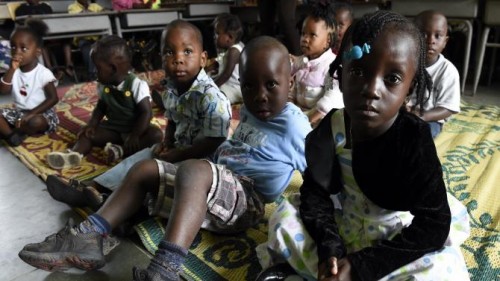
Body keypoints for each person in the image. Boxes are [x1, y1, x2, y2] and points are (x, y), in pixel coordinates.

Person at [18, 36, 312, 281]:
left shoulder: (294, 125)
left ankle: (164, 271)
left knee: (194, 171)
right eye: (249, 86)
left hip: (247, 202)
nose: (259, 95)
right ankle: (88, 236)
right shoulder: (250, 110)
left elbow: (315, 170)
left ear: (290, 82)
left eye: (271, 85)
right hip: (218, 186)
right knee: (146, 168)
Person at [255, 11, 470, 281]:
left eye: (392, 79)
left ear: (410, 86)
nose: (371, 89)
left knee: (442, 271)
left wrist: (362, 265)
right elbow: (315, 194)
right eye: (357, 71)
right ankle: (327, 272)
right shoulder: (332, 129)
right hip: (345, 220)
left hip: (395, 235)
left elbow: (434, 224)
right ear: (340, 75)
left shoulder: (414, 138)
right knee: (282, 219)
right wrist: (329, 249)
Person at [46, 20, 231, 212]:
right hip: (179, 150)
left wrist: (180, 154)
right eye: (169, 52)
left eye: (187, 51)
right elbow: (174, 119)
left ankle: (125, 209)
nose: (178, 59)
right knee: (138, 159)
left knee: (154, 176)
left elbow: (215, 141)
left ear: (203, 58)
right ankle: (92, 188)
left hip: (203, 164)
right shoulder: (171, 89)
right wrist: (167, 141)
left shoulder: (211, 97)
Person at [45, 35, 162, 169]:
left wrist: (135, 135)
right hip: (112, 128)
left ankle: (120, 150)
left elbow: (146, 113)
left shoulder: (136, 84)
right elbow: (101, 108)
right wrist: (92, 124)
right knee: (86, 134)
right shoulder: (103, 85)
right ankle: (73, 155)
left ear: (112, 68)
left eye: (97, 68)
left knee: (156, 135)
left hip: (134, 129)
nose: (94, 71)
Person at [0, 19, 58, 147]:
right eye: (13, 47)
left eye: (23, 48)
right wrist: (11, 70)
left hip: (41, 113)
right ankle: (12, 135)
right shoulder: (13, 71)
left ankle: (13, 132)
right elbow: (3, 90)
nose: (17, 52)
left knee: (35, 122)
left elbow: (53, 98)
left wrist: (31, 114)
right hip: (19, 112)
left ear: (37, 52)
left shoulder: (43, 73)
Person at [407, 10, 461, 139]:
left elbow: (448, 108)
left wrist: (422, 115)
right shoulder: (404, 62)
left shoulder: (448, 71)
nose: (430, 40)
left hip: (430, 119)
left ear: (445, 41)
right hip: (402, 113)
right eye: (423, 35)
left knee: (421, 135)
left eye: (438, 36)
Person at [289, 0, 343, 127]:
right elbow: (291, 87)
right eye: (303, 34)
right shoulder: (301, 61)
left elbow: (330, 98)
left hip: (318, 117)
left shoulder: (331, 67)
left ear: (327, 41)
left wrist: (308, 120)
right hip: (299, 113)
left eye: (312, 35)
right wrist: (290, 105)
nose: (305, 39)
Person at [206, 13, 244, 104]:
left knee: (211, 96)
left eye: (217, 33)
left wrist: (213, 87)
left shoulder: (234, 51)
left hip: (236, 88)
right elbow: (220, 63)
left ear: (229, 38)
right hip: (230, 84)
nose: (214, 37)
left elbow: (226, 74)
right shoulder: (231, 48)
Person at [68, 0, 104, 81]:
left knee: (107, 46)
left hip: (97, 37)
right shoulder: (72, 7)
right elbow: (77, 17)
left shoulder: (95, 5)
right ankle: (92, 76)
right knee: (90, 50)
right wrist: (93, 13)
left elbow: (104, 12)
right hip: (82, 38)